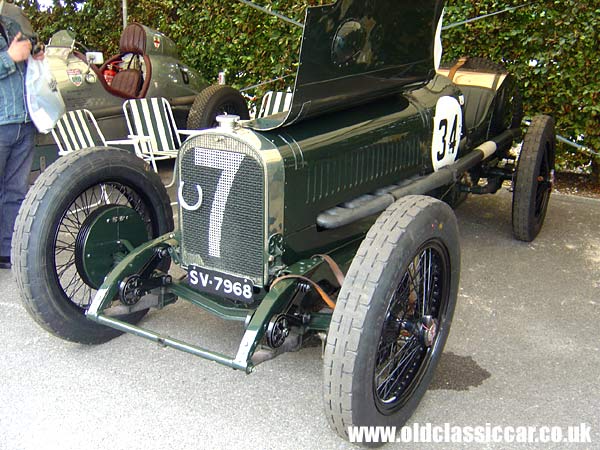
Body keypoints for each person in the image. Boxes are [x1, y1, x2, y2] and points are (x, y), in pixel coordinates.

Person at [0, 13, 44, 269]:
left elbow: (24, 63)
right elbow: (10, 59)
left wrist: (34, 56)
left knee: (16, 193)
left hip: (24, 122)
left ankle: (7, 252)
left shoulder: (10, 23)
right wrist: (9, 58)